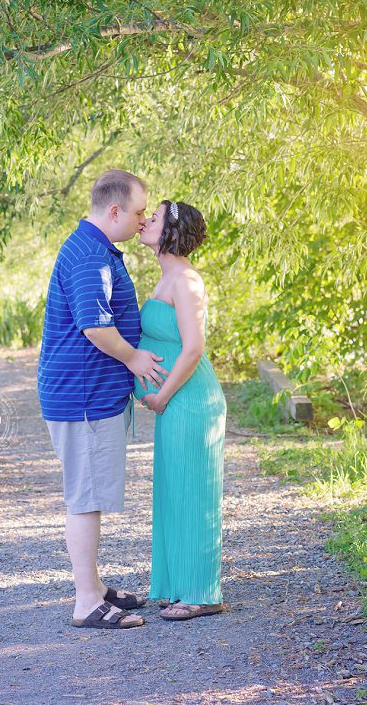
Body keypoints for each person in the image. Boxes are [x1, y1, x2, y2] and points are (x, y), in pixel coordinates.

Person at [37, 170, 168, 630]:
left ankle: (94, 584)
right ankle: (87, 600)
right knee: (85, 499)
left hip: (85, 394)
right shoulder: (90, 256)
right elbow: (95, 327)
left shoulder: (91, 247)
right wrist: (133, 358)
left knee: (88, 493)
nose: (142, 220)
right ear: (114, 211)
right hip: (84, 397)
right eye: (137, 212)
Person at [135, 200, 227, 620]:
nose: (144, 223)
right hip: (174, 400)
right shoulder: (166, 278)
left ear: (170, 232)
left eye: (152, 219)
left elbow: (193, 349)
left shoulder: (186, 281)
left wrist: (163, 395)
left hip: (190, 400)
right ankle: (178, 586)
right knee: (174, 490)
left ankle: (202, 594)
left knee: (194, 491)